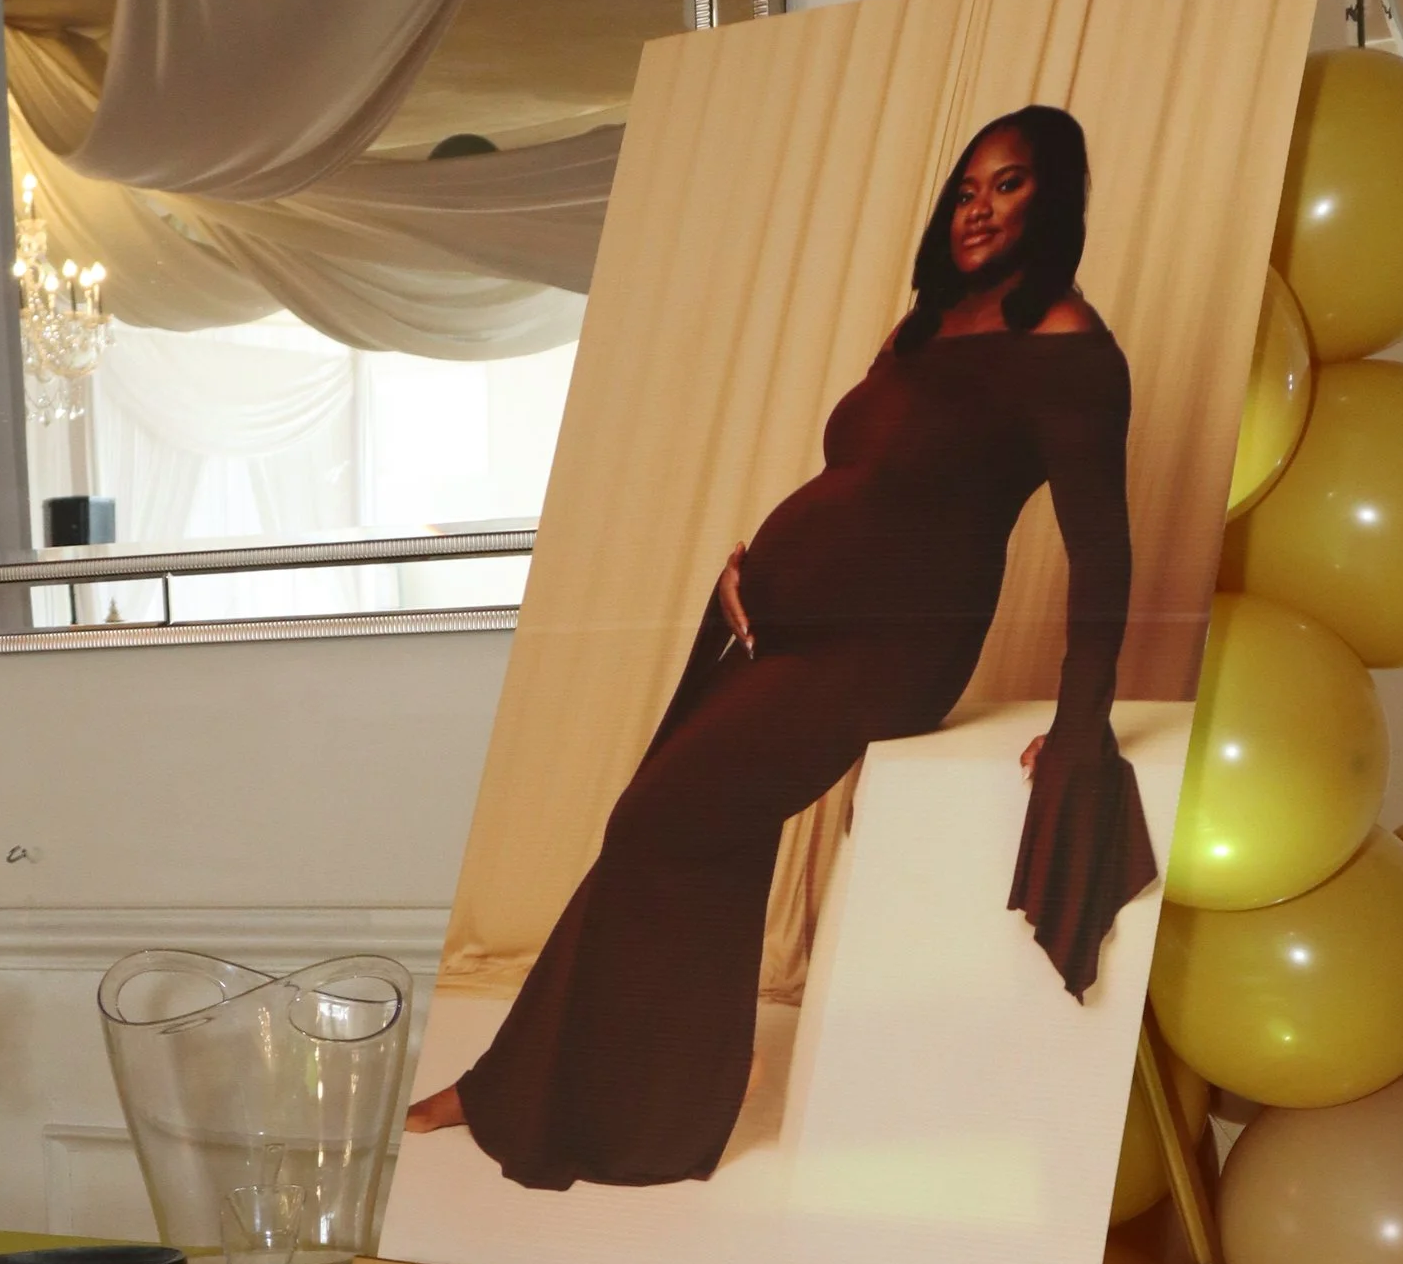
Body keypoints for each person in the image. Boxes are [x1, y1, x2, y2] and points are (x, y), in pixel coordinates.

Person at [408, 104, 1155, 1190]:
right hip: (775, 619)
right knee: (659, 817)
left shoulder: (1070, 351)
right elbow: (860, 480)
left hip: (887, 653)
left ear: (1056, 196)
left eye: (1008, 185)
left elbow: (1104, 552)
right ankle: (543, 1078)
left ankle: (633, 1093)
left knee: (660, 818)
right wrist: (752, 562)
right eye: (965, 188)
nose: (978, 209)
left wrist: (1082, 720)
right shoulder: (922, 329)